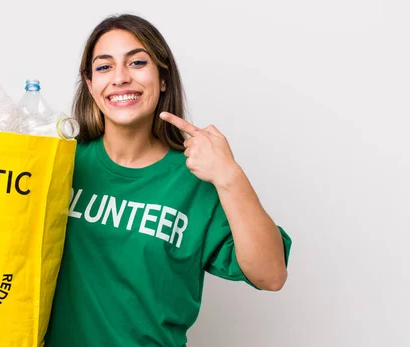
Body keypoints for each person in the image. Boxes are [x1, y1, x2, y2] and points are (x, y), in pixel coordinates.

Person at [44, 13, 292, 347]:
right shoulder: (61, 161)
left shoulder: (194, 178)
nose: (120, 78)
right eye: (104, 67)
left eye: (137, 62)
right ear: (90, 85)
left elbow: (271, 275)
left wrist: (230, 176)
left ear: (162, 78)